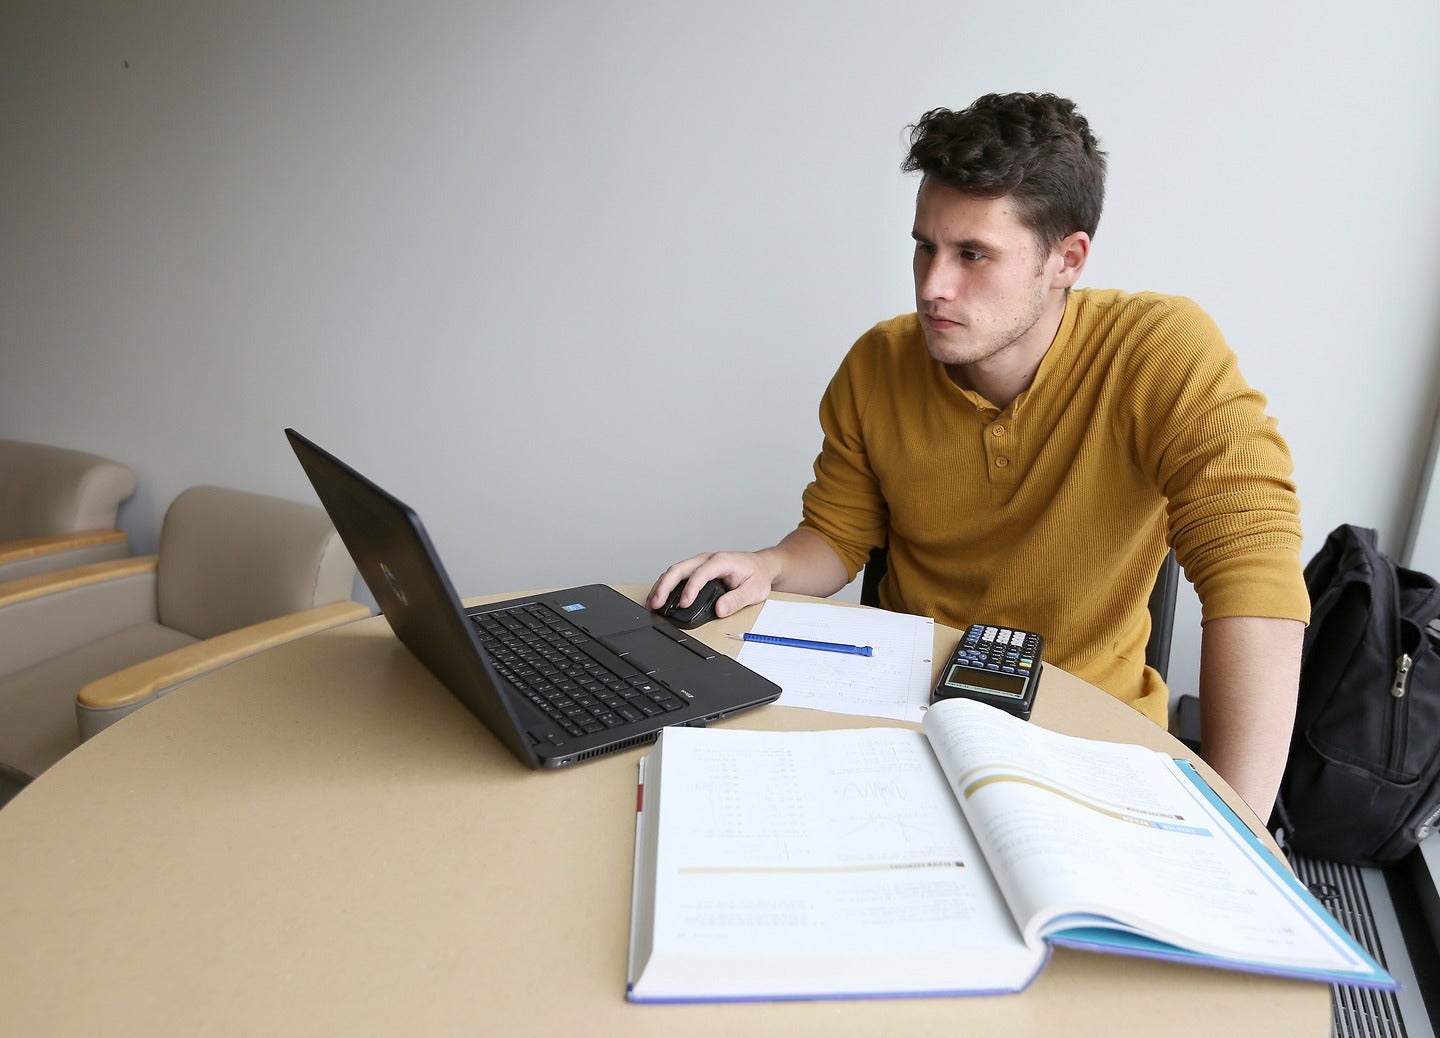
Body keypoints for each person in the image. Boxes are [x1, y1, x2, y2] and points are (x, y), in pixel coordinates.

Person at [647, 92, 1309, 820]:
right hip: (900, 719)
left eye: (973, 255)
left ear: (1066, 259)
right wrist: (770, 566)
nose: (933, 286)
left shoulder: (1159, 351)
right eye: (925, 246)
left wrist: (1240, 829)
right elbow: (837, 537)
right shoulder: (878, 362)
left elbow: (1256, 576)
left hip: (1089, 734)